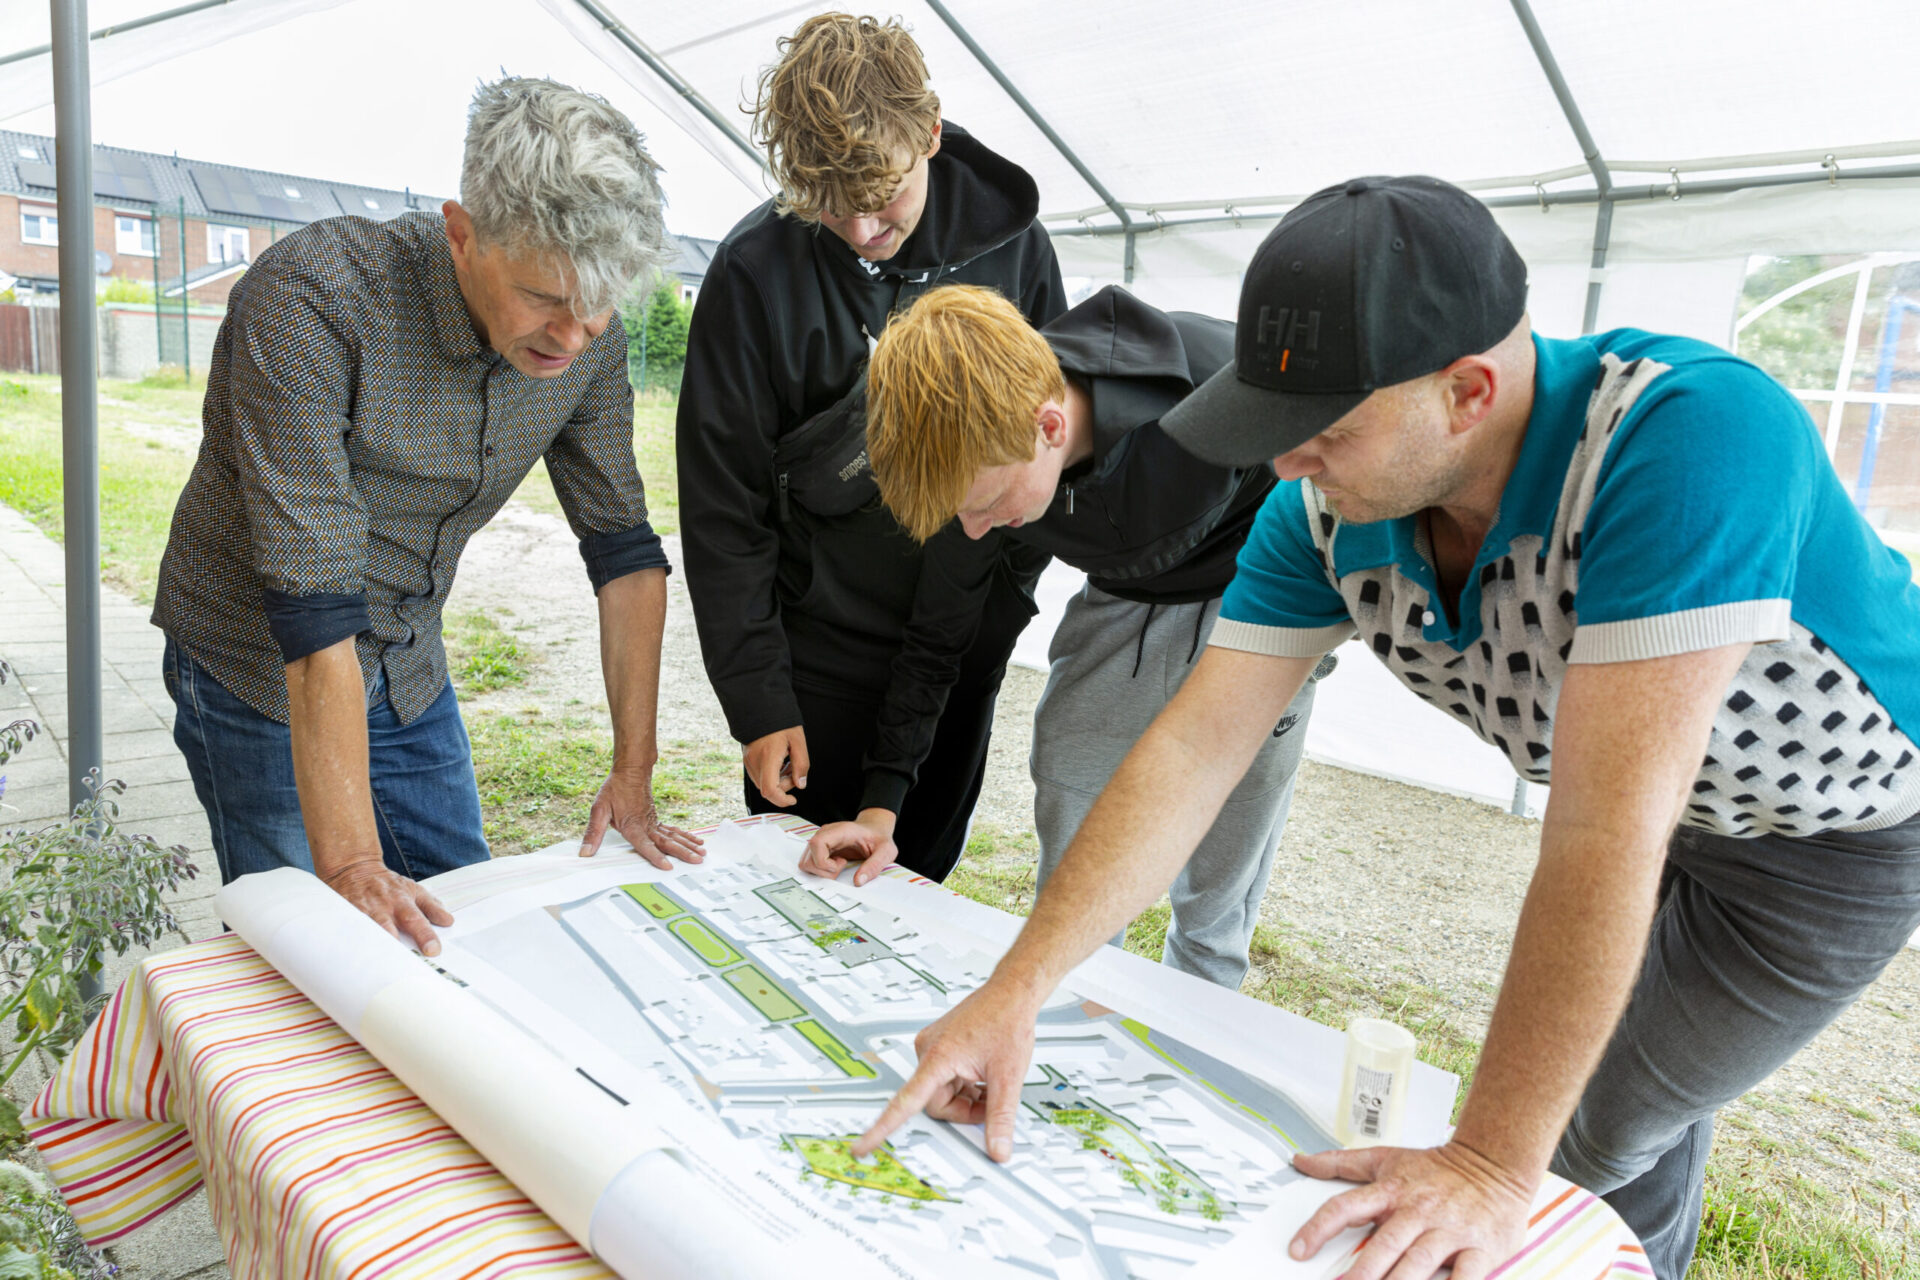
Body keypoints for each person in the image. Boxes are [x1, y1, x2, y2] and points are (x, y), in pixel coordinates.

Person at [851, 176, 1920, 1280]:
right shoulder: (1319, 516)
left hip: (1832, 840)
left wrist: (1490, 1164)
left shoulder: (1691, 440)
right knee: (1630, 1092)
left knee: (1593, 1136)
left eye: (1322, 431)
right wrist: (1014, 989)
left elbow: (1605, 833)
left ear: (1466, 392)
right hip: (1675, 808)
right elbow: (1191, 749)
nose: (1284, 465)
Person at [153, 77, 701, 955]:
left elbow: (625, 552)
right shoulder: (312, 300)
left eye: (597, 306)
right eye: (543, 298)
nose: (573, 335)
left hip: (408, 661)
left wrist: (632, 772)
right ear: (462, 233)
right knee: (311, 946)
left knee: (465, 919)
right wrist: (349, 867)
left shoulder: (587, 342)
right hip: (258, 662)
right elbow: (313, 608)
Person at [803, 282, 1324, 989]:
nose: (975, 531)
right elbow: (936, 640)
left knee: (1217, 892)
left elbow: (1342, 485)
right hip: (1122, 600)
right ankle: (1067, 1021)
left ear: (1049, 427)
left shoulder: (1217, 383)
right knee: (1073, 849)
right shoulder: (984, 467)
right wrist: (880, 807)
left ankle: (1193, 1026)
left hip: (1260, 596)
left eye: (988, 506)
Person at [676, 12, 1063, 882]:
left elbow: (1049, 451)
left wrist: (994, 621)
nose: (857, 228)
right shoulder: (752, 271)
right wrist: (758, 697)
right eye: (827, 202)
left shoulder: (1017, 250)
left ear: (929, 134)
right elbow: (722, 502)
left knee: (919, 881)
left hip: (958, 650)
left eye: (881, 192)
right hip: (821, 659)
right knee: (801, 887)